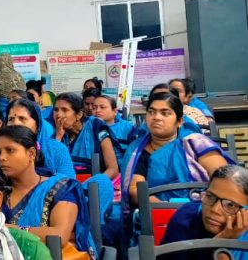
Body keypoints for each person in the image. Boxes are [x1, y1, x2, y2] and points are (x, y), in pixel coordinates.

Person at [122, 91, 233, 230]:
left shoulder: (195, 143)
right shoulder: (137, 151)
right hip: (158, 214)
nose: (156, 117)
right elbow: (135, 190)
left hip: (203, 210)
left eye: (165, 113)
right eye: (151, 112)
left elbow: (224, 180)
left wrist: (202, 208)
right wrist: (166, 209)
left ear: (179, 121)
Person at [0, 126, 95, 258]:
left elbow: (59, 236)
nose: (2, 157)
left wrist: (7, 229)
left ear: (31, 154)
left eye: (10, 150)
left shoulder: (60, 188)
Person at [160, 165, 248, 260]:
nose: (215, 210)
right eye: (210, 196)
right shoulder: (185, 219)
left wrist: (221, 248)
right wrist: (219, 243)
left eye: (230, 205)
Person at [54, 92, 120, 180]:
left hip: (94, 185)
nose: (58, 115)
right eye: (56, 110)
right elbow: (50, 168)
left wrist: (91, 184)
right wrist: (58, 136)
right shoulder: (54, 133)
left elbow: (113, 169)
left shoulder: (96, 127)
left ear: (79, 115)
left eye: (64, 110)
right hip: (64, 186)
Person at [6, 98, 76, 178]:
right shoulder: (0, 150)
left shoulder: (57, 150)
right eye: (11, 119)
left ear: (37, 126)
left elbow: (68, 182)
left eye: (22, 118)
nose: (15, 123)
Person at [93, 95, 137, 165]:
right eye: (94, 108)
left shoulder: (127, 128)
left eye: (102, 107)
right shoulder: (88, 127)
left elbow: (135, 154)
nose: (97, 110)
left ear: (114, 111)